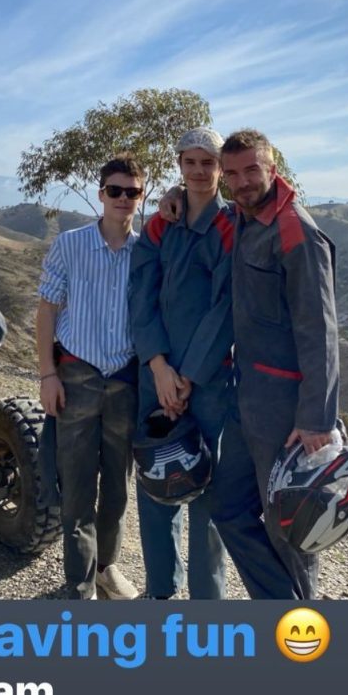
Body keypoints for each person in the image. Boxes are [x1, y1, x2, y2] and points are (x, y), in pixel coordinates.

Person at [161, 128, 339, 599]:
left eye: (251, 170)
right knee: (229, 508)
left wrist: (316, 418)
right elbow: (202, 202)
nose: (241, 182)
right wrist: (173, 195)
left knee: (289, 532)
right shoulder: (243, 215)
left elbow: (320, 331)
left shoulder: (296, 231)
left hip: (288, 411)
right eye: (233, 173)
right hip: (247, 398)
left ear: (272, 169)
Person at [129, 128, 296, 599]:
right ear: (179, 165)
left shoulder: (230, 227)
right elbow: (140, 294)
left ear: (220, 170)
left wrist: (188, 377)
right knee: (156, 482)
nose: (199, 171)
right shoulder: (162, 223)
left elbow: (226, 308)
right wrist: (159, 367)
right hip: (154, 375)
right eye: (191, 162)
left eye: (208, 163)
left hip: (207, 382)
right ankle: (160, 591)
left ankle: (207, 601)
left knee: (205, 489)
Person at [36, 156, 143, 600]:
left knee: (117, 487)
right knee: (76, 489)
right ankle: (78, 585)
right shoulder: (70, 244)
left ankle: (106, 567)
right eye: (114, 190)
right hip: (76, 376)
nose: (122, 199)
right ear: (101, 194)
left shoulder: (148, 250)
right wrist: (47, 374)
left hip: (126, 380)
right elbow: (46, 310)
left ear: (141, 198)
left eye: (132, 192)